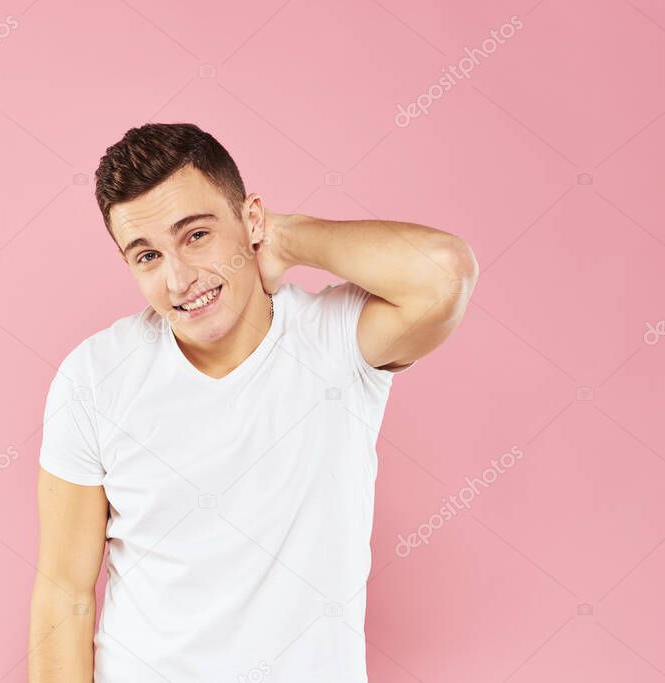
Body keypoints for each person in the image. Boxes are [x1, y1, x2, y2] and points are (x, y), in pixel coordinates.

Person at [27, 122, 478, 682]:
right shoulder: (94, 379)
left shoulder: (334, 340)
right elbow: (64, 593)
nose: (179, 279)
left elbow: (445, 273)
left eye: (196, 235)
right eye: (147, 256)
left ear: (251, 220)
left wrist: (288, 240)